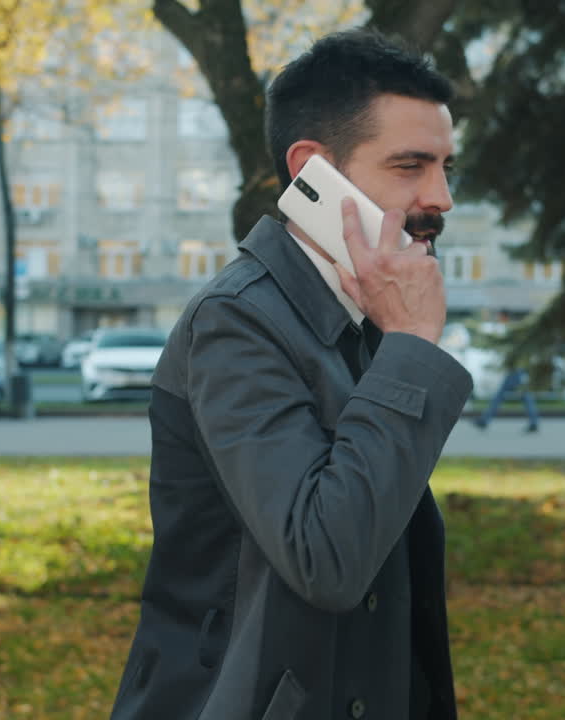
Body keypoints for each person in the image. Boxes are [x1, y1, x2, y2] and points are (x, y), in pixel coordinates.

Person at [110, 30, 470, 720]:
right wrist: (414, 344)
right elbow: (327, 559)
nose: (442, 196)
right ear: (312, 173)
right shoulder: (237, 323)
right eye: (410, 166)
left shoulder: (364, 313)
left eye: (448, 166)